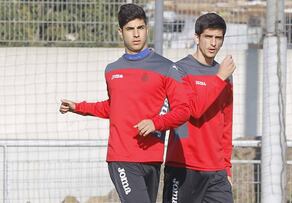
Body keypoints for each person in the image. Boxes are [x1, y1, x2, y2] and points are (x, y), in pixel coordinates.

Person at [59, 4, 190, 203]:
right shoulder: (112, 70)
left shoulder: (167, 67)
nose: (136, 34)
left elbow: (183, 111)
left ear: (147, 28)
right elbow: (114, 107)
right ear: (120, 32)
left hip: (153, 158)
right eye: (130, 29)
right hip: (121, 158)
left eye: (140, 28)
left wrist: (156, 123)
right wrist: (79, 107)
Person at [163, 13, 235, 203]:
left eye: (218, 38)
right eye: (208, 37)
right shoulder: (179, 70)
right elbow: (194, 110)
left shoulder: (224, 75)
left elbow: (226, 124)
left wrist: (226, 167)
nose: (213, 43)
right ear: (197, 38)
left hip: (217, 171)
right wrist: (219, 78)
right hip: (184, 166)